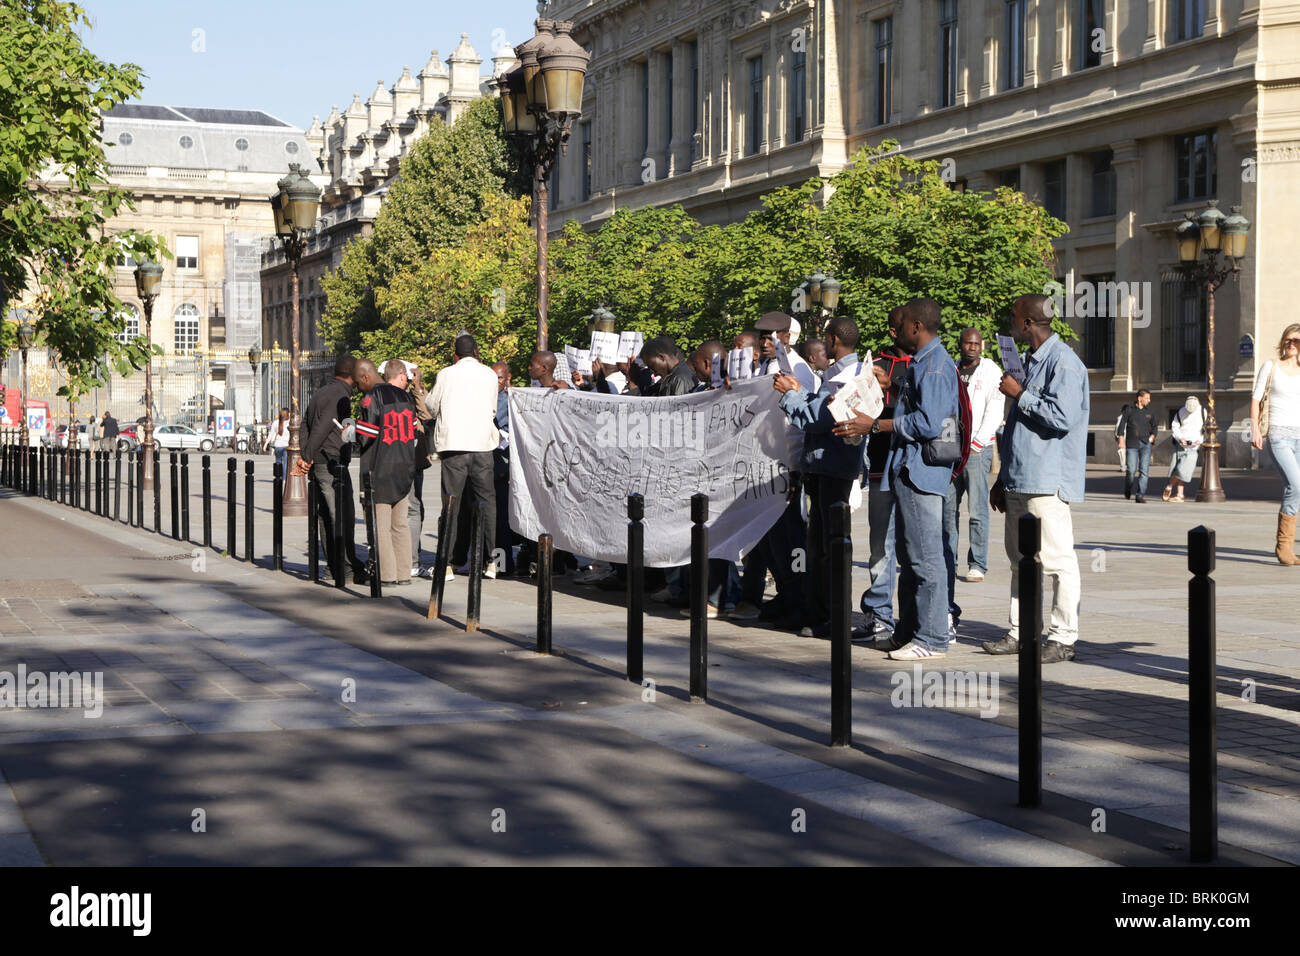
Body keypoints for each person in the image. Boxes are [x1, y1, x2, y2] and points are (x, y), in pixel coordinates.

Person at [836, 299, 959, 660]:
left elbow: (930, 423)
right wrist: (890, 388)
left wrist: (873, 425)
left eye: (899, 323)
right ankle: (907, 632)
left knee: (925, 561)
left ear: (916, 326)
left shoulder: (935, 366)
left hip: (922, 474)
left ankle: (933, 639)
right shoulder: (924, 363)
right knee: (909, 559)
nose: (895, 330)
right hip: (907, 470)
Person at [983, 294, 1089, 663]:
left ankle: (1063, 637)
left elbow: (1062, 417)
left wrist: (1020, 393)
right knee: (1019, 560)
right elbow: (1015, 427)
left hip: (1047, 479)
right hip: (1020, 477)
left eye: (1015, 317)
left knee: (1058, 560)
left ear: (1028, 322)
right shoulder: (1028, 361)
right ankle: (1021, 630)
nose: (1011, 323)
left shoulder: (1065, 363)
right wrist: (1002, 477)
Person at [774, 315, 867, 639]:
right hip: (822, 468)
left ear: (832, 340)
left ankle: (832, 615)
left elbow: (820, 419)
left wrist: (790, 395)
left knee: (832, 549)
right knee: (819, 549)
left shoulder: (851, 376)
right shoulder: (837, 373)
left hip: (835, 468)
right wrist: (801, 391)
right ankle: (816, 613)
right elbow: (820, 407)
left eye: (825, 338)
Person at [425, 335, 501, 581]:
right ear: (476, 352)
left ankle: (445, 564)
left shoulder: (446, 374)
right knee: (486, 502)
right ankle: (491, 562)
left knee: (452, 503)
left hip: (454, 446)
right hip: (482, 445)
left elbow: (432, 406)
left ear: (455, 354)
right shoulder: (489, 374)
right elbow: (491, 408)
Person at [855, 307, 910, 643]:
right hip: (880, 465)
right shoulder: (875, 362)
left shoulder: (930, 362)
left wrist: (893, 390)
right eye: (906, 326)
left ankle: (928, 617)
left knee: (918, 548)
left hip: (916, 469)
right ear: (894, 331)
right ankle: (878, 615)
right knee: (880, 546)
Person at [297, 354, 367, 584]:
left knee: (327, 516)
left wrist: (307, 454)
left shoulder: (322, 392)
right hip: (331, 462)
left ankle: (334, 567)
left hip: (322, 460)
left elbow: (305, 425)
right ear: (352, 374)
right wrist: (307, 456)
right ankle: (346, 568)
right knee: (342, 515)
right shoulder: (339, 396)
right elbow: (322, 428)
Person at [354, 359, 417, 586]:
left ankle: (387, 575)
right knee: (400, 524)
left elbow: (367, 435)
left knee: (381, 525)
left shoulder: (373, 398)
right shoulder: (407, 399)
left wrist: (351, 430)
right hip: (404, 466)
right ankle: (404, 573)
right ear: (399, 375)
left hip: (381, 467)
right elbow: (414, 432)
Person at [947, 328, 1003, 584]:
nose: (972, 347)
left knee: (978, 508)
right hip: (951, 450)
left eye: (976, 344)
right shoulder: (952, 368)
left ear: (982, 346)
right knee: (948, 509)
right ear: (960, 345)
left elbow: (995, 407)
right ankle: (948, 560)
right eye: (968, 343)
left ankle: (977, 563)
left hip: (977, 450)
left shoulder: (991, 371)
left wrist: (978, 443)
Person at [1251, 323, 1300, 564]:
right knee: (1295, 484)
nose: (1292, 343)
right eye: (1289, 339)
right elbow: (1256, 399)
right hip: (1279, 435)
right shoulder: (1271, 366)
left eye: (1297, 340)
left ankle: (1289, 548)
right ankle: (1284, 547)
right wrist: (1255, 430)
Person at [1116, 388, 1157, 502]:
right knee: (1131, 470)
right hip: (1132, 444)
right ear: (1140, 398)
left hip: (1145, 444)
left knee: (1144, 471)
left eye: (1149, 398)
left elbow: (1154, 427)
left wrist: (1152, 437)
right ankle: (1128, 489)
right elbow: (1122, 425)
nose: (1149, 400)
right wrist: (1121, 440)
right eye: (1147, 398)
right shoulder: (1129, 410)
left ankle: (1140, 495)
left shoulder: (1149, 412)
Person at [1162, 396, 1203, 503]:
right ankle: (1180, 494)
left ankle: (1169, 486)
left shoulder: (1203, 412)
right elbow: (1175, 426)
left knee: (1182, 470)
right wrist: (1180, 438)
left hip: (1194, 446)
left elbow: (1206, 430)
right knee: (1177, 469)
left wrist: (1199, 440)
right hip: (1181, 445)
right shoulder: (1181, 411)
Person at [271, 408, 290, 476]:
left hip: (277, 446)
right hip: (286, 446)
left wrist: (266, 444)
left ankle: (278, 478)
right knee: (285, 464)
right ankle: (284, 479)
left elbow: (271, 434)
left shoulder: (275, 422)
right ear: (288, 414)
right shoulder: (290, 422)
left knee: (278, 462)